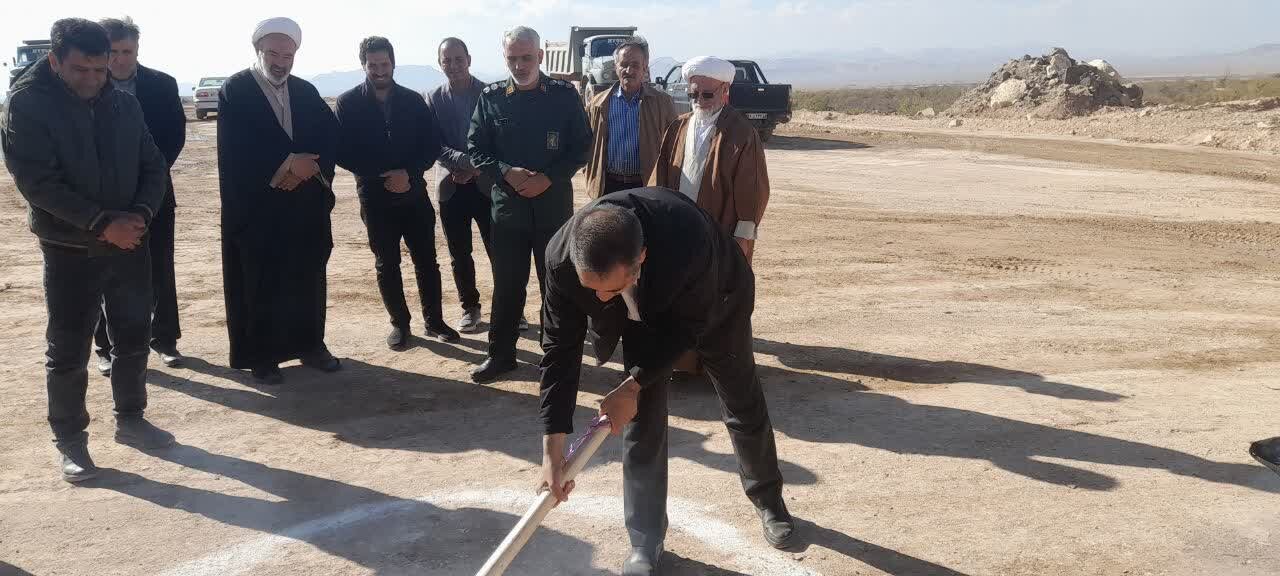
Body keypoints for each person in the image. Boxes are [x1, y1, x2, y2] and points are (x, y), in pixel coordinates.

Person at [537, 187, 796, 575]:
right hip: (642, 314)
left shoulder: (685, 236)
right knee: (641, 420)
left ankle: (768, 499)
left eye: (612, 289)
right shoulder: (561, 259)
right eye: (593, 289)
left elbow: (687, 328)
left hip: (716, 303)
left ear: (640, 258)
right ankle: (645, 541)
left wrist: (632, 384)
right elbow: (559, 350)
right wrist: (552, 449)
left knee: (740, 398)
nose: (602, 299)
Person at [2, 18, 173, 482]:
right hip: (69, 247)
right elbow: (38, 182)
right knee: (69, 348)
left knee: (134, 333)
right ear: (55, 60)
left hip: (129, 241)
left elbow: (153, 165)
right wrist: (102, 224)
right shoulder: (27, 104)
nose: (93, 79)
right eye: (81, 69)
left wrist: (140, 215)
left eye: (101, 69)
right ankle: (71, 441)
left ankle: (132, 418)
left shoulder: (123, 103)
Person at [217, 17, 340, 384]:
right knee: (262, 280)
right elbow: (237, 148)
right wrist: (286, 165)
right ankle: (263, 355)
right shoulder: (236, 89)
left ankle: (311, 345)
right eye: (273, 53)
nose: (280, 62)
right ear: (258, 50)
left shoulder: (305, 91)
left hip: (304, 206)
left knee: (307, 278)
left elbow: (330, 135)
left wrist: (306, 168)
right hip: (259, 208)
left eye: (288, 55)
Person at [467, 26, 591, 383]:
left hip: (553, 209)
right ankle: (501, 355)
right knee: (507, 285)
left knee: (556, 285)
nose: (519, 65)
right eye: (512, 58)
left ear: (540, 56)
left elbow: (582, 145)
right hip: (509, 211)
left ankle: (556, 357)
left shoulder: (563, 96)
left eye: (526, 57)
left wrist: (548, 177)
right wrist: (507, 172)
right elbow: (476, 148)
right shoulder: (491, 98)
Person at [337, 36, 459, 350]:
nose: (379, 71)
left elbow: (430, 145)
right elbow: (343, 151)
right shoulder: (348, 103)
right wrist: (383, 176)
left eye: (385, 64)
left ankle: (434, 321)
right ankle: (400, 325)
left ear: (393, 63)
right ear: (363, 65)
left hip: (413, 194)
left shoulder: (413, 101)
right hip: (374, 197)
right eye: (373, 65)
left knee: (427, 261)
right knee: (386, 263)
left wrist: (408, 174)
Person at [92, 16, 188, 373]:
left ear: (137, 50)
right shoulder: (86, 86)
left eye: (126, 51)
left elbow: (173, 138)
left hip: (156, 194)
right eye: (113, 52)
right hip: (104, 200)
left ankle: (165, 340)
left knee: (160, 267)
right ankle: (105, 347)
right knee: (104, 272)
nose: (119, 59)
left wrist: (147, 182)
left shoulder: (162, 85)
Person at [649, 56, 769, 263]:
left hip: (720, 236)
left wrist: (743, 239)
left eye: (707, 95)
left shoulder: (742, 133)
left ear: (725, 90)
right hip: (677, 229)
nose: (699, 101)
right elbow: (659, 178)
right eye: (693, 94)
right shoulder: (678, 127)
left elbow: (752, 191)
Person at [425, 37, 492, 334]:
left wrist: (475, 169)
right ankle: (470, 307)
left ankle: (510, 308)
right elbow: (433, 143)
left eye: (458, 59)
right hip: (451, 186)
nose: (453, 65)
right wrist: (463, 164)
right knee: (459, 254)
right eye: (447, 60)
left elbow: (497, 139)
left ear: (469, 59)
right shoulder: (432, 98)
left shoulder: (489, 94)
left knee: (499, 250)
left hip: (487, 185)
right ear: (440, 64)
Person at [584, 37, 676, 198]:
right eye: (624, 64)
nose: (629, 70)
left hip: (647, 186)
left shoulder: (662, 103)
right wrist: (591, 176)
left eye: (635, 65)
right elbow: (586, 145)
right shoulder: (598, 104)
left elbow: (674, 146)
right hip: (608, 187)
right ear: (616, 67)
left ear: (645, 68)